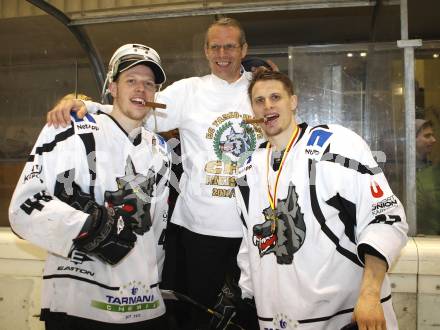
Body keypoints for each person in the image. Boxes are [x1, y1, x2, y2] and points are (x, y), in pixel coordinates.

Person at [46, 17, 271, 329]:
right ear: (206, 51)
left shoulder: (261, 91)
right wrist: (82, 105)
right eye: (215, 46)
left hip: (255, 225)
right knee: (201, 317)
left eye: (230, 46)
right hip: (199, 228)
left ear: (243, 49)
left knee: (255, 314)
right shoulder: (188, 91)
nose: (223, 53)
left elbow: (284, 129)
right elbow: (133, 108)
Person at [210, 69, 409, 330]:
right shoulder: (248, 169)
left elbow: (385, 218)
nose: (267, 106)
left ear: (293, 102)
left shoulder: (335, 146)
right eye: (259, 101)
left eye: (275, 97)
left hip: (346, 318)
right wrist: (243, 296)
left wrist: (370, 294)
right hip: (276, 318)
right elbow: (251, 244)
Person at [9, 43, 171, 330]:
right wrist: (85, 227)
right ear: (112, 86)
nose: (140, 90)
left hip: (142, 303)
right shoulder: (68, 127)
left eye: (149, 84)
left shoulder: (160, 149)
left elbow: (157, 229)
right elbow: (24, 205)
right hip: (79, 302)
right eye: (131, 81)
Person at [416, 119, 440, 235]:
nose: (433, 140)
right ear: (412, 139)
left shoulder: (434, 171)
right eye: (427, 136)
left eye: (433, 135)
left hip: (433, 240)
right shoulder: (400, 171)